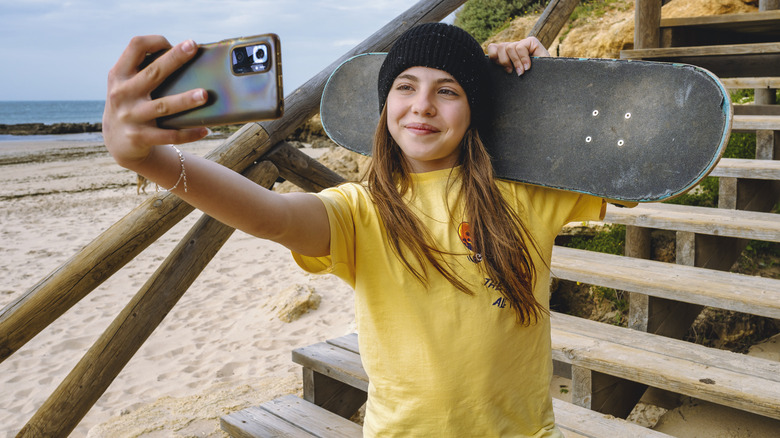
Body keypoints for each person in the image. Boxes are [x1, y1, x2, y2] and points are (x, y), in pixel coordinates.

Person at [103, 23, 605, 437]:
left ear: (475, 109)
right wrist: (151, 160)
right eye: (405, 87)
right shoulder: (361, 210)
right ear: (385, 104)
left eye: (447, 91)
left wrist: (545, 86)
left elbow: (645, 170)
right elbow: (268, 215)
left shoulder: (527, 194)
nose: (423, 105)